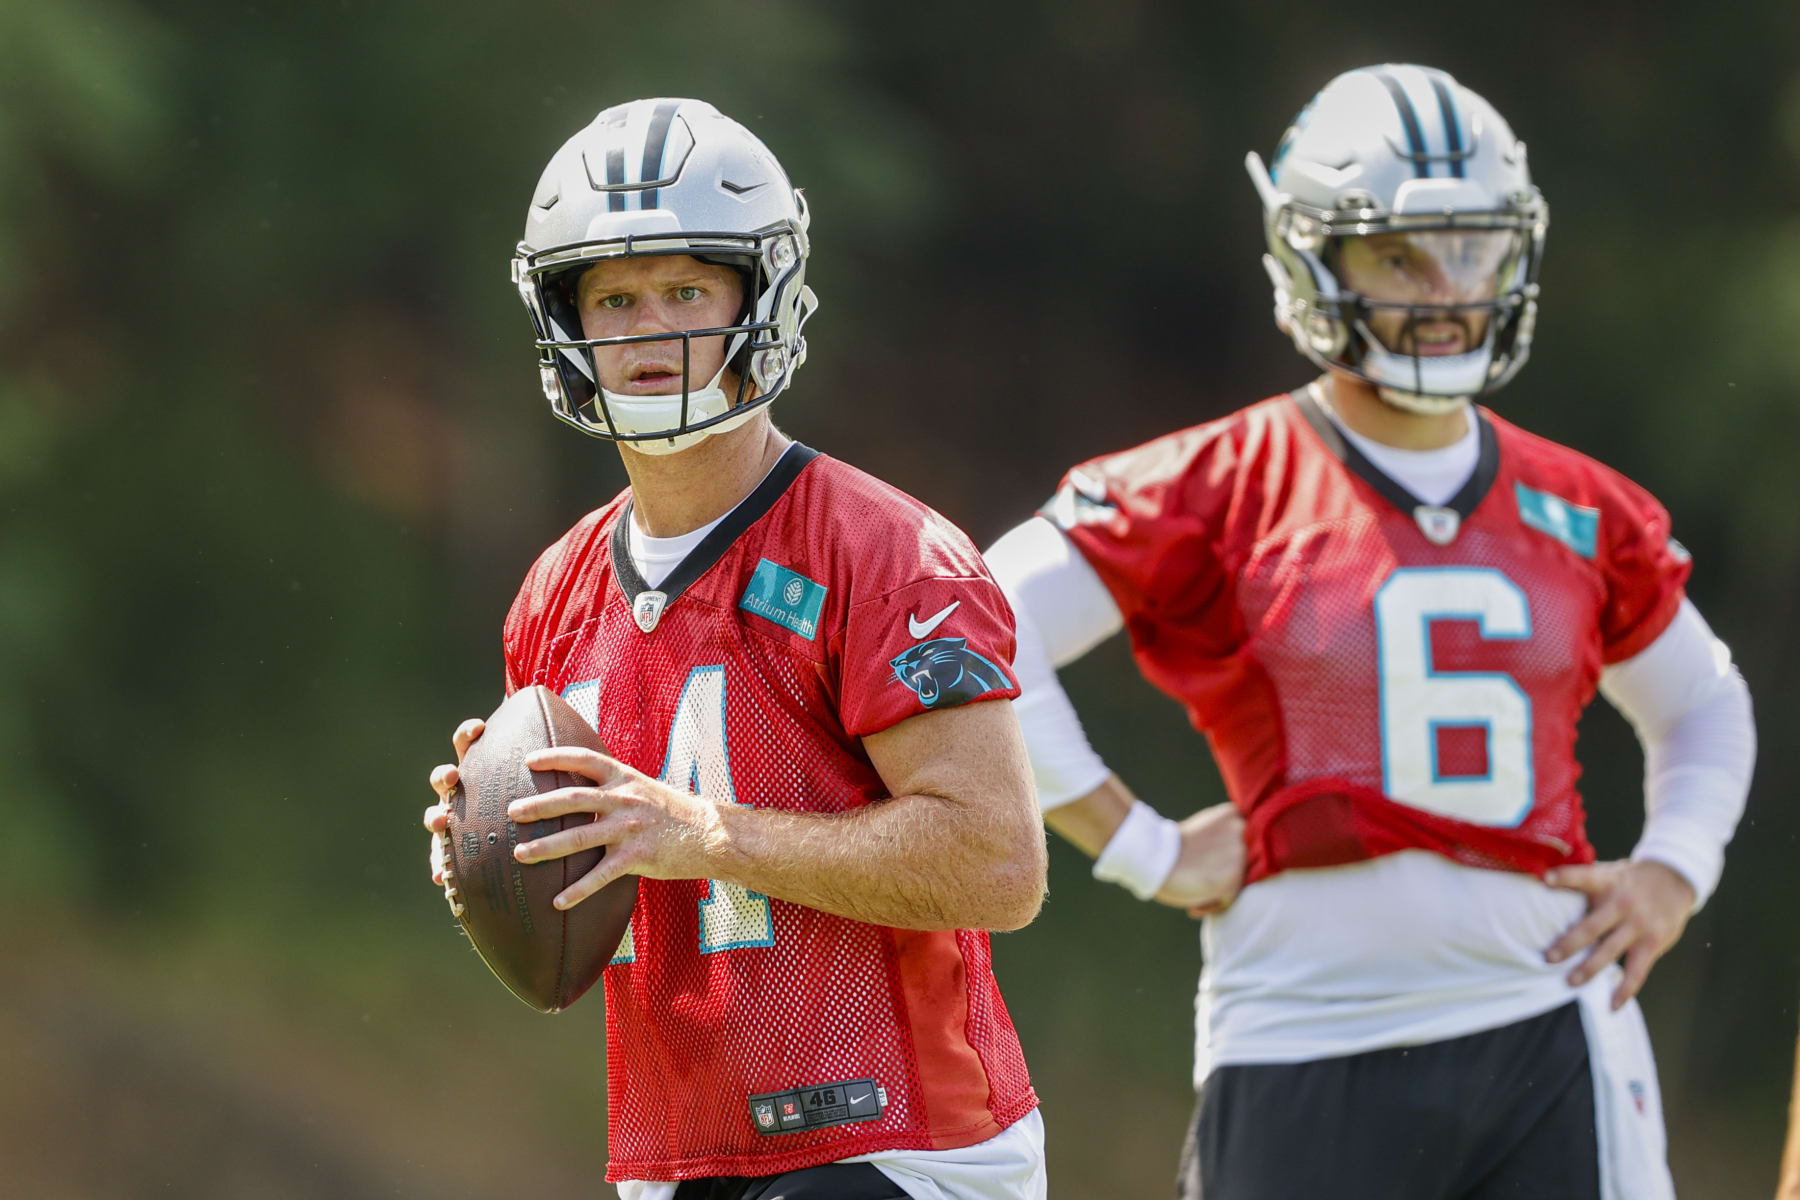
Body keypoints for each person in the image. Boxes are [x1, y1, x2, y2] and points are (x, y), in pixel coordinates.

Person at [984, 65, 1755, 1198]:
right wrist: (1140, 847)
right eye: (1400, 255)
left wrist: (1674, 873)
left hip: (1545, 1015)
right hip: (1303, 1023)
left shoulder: (1582, 505)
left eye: (1476, 249)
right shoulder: (1221, 480)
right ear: (1312, 259)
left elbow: (1705, 702)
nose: (1447, 290)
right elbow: (975, 629)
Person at [422, 98, 1048, 1200]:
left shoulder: (884, 551)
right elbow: (604, 882)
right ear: (567, 321)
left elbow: (997, 863)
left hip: (894, 1144)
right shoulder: (555, 592)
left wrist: (705, 831)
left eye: (685, 291)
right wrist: (499, 849)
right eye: (614, 297)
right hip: (675, 1156)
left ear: (760, 301)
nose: (649, 328)